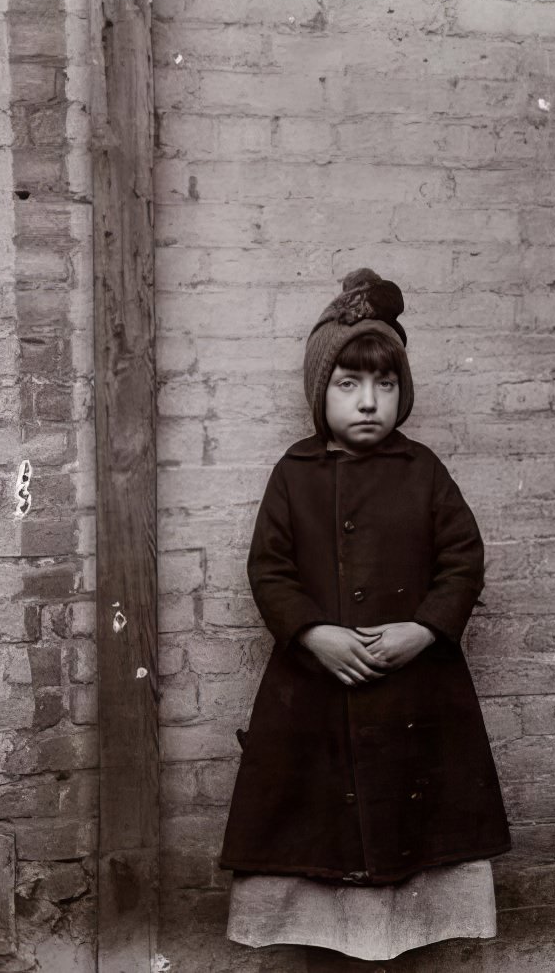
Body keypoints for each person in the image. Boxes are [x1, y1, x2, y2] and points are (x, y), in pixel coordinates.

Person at [218, 268, 512, 961]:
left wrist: (425, 629)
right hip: (315, 690)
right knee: (316, 821)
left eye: (384, 385)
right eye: (349, 386)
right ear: (320, 393)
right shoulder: (294, 475)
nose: (368, 402)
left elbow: (463, 559)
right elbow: (270, 570)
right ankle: (324, 943)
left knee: (413, 815)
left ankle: (410, 937)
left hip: (416, 686)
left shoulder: (424, 471)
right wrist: (313, 633)